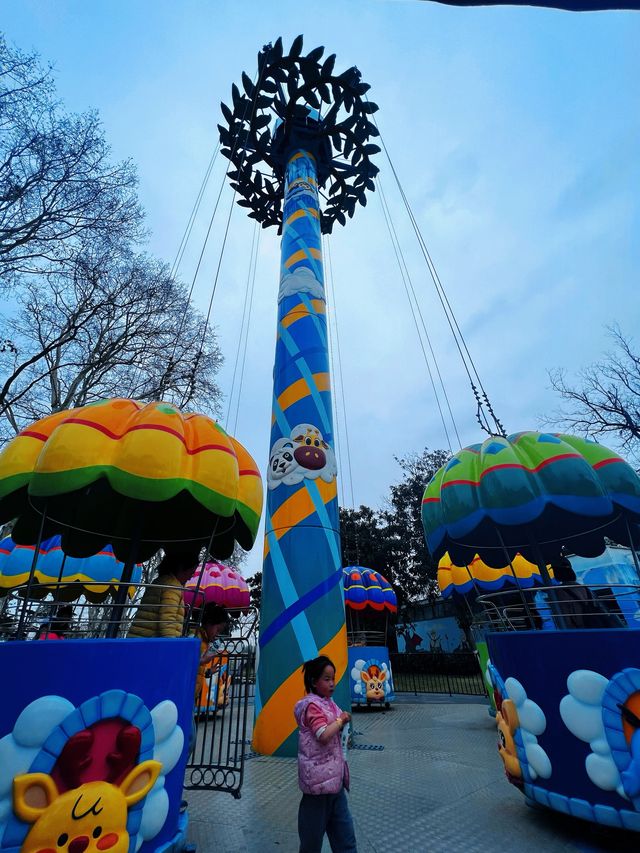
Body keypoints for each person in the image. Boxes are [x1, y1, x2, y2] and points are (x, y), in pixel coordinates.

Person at [294, 655, 357, 853]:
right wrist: (340, 722)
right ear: (314, 682)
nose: (332, 683)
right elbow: (322, 734)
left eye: (333, 678)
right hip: (318, 785)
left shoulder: (329, 703)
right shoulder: (311, 706)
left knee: (346, 839)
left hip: (335, 782)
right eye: (326, 679)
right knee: (311, 842)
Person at [128, 551, 195, 638]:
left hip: (137, 638)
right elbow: (168, 621)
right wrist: (172, 646)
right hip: (150, 645)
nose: (190, 577)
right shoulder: (173, 587)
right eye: (191, 572)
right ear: (181, 568)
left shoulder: (159, 581)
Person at [550, 557, 623, 629]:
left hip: (580, 629)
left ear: (557, 573)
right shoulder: (584, 588)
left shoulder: (559, 591)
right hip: (597, 626)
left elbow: (565, 617)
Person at [194, 602, 228, 705]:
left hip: (192, 693)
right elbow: (185, 664)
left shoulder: (204, 641)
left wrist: (208, 671)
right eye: (217, 630)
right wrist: (203, 660)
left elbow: (197, 669)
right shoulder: (195, 638)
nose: (217, 634)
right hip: (186, 691)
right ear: (209, 623)